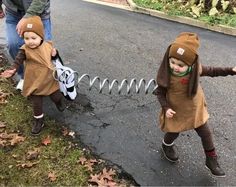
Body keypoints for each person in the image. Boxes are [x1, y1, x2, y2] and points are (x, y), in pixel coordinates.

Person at [155, 32, 236, 177]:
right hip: (176, 110)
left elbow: (213, 71)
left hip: (195, 110)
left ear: (191, 64)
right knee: (173, 132)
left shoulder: (195, 69)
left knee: (206, 133)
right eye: (172, 62)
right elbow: (159, 93)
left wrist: (231, 70)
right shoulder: (168, 74)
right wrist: (166, 108)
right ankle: (166, 146)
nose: (175, 67)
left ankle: (211, 160)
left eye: (180, 65)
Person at [0, 16, 65, 135]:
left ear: (41, 36)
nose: (30, 41)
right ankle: (39, 120)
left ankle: (59, 102)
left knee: (56, 96)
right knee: (36, 103)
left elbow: (57, 61)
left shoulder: (48, 45)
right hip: (34, 81)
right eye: (26, 38)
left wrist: (55, 55)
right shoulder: (24, 50)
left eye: (33, 38)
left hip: (49, 79)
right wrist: (13, 69)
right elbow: (17, 61)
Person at [0, 0, 51, 90]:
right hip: (14, 14)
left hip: (39, 13)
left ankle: (46, 77)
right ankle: (25, 77)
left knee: (44, 47)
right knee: (13, 44)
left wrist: (27, 17)